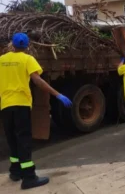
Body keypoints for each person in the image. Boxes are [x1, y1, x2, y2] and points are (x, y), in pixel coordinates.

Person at [0, 33, 72, 190]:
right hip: (21, 104)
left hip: (5, 105)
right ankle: (29, 178)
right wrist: (57, 94)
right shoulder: (27, 59)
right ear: (26, 46)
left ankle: (15, 172)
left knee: (12, 138)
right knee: (24, 140)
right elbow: (37, 80)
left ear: (12, 44)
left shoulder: (2, 60)